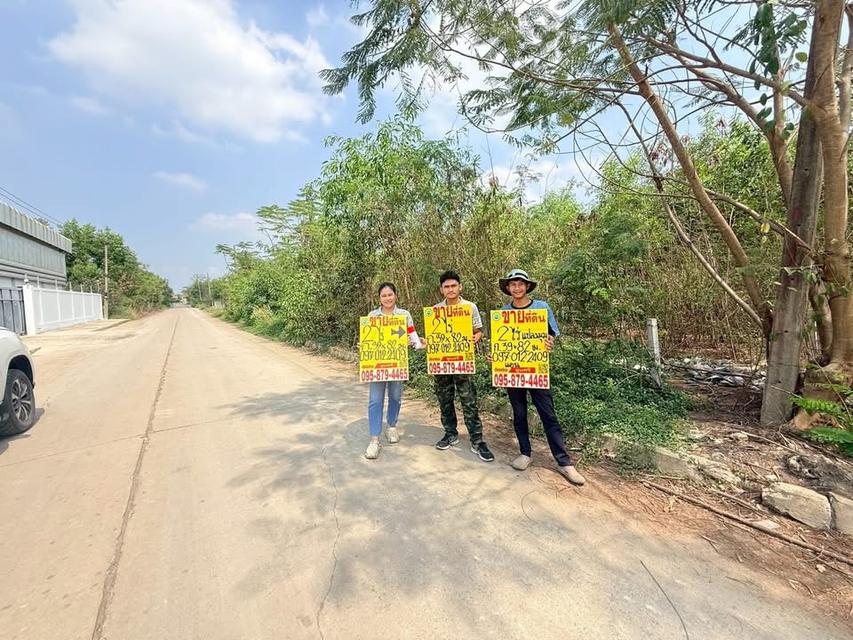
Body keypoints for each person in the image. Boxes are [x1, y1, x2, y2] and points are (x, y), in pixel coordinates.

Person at [498, 268, 586, 485]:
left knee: (548, 415)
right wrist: (496, 357)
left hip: (536, 371)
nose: (517, 288)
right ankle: (525, 453)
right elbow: (501, 342)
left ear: (527, 286)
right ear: (508, 288)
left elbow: (551, 334)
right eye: (513, 284)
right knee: (519, 413)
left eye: (520, 284)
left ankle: (564, 462)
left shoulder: (541, 308)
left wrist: (549, 343)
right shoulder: (503, 313)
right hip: (512, 372)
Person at [431, 271, 494, 462]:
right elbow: (435, 336)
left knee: (469, 400)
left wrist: (476, 337)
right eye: (446, 287)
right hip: (442, 363)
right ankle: (450, 433)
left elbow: (478, 331)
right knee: (445, 398)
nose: (450, 289)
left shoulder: (470, 307)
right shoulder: (436, 310)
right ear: (441, 290)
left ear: (460, 287)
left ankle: (477, 440)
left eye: (453, 286)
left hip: (463, 361)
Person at [364, 282, 423, 460]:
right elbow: (369, 339)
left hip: (397, 364)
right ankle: (374, 440)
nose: (387, 298)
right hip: (377, 366)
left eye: (390, 295)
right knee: (375, 400)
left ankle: (391, 427)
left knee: (396, 396)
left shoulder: (404, 315)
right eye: (384, 295)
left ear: (395, 295)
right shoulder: (372, 315)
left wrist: (417, 343)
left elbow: (413, 337)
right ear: (379, 298)